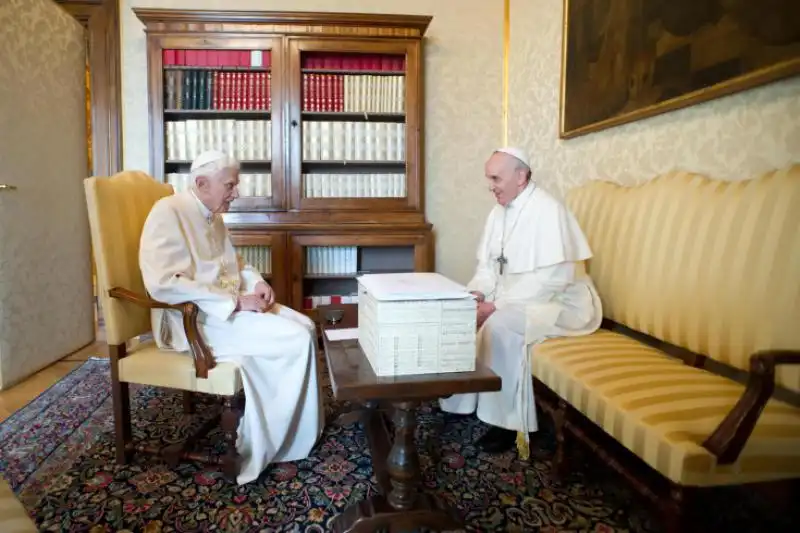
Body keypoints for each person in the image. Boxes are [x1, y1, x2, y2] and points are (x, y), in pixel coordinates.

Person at [139, 150, 324, 485]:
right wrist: (236, 302)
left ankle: (298, 429)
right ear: (201, 183)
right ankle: (269, 443)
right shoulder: (168, 212)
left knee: (307, 326)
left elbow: (234, 264)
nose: (236, 192)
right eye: (230, 184)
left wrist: (257, 283)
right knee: (294, 339)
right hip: (192, 321)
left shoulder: (211, 213)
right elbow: (163, 283)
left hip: (223, 309)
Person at [439, 147, 602, 457]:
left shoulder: (548, 210)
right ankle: (463, 401)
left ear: (521, 176)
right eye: (489, 178)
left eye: (495, 178)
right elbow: (489, 268)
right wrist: (478, 295)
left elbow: (552, 280)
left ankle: (505, 423)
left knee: (499, 325)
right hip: (519, 298)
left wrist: (495, 307)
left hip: (559, 304)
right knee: (463, 311)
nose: (491, 185)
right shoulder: (499, 212)